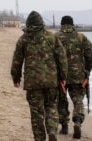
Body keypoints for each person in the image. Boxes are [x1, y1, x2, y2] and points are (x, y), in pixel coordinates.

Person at [11, 11, 67, 141]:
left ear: (29, 24)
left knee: (36, 113)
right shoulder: (52, 37)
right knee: (51, 106)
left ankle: (40, 138)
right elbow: (62, 59)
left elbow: (17, 60)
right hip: (51, 81)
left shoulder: (23, 39)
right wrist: (63, 77)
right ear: (41, 23)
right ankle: (52, 130)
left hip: (32, 83)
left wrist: (16, 77)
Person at [55, 15, 92, 139]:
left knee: (61, 101)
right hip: (78, 75)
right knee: (78, 99)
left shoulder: (56, 37)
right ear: (72, 25)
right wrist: (87, 70)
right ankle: (77, 121)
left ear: (61, 24)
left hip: (60, 76)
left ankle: (64, 127)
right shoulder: (80, 37)